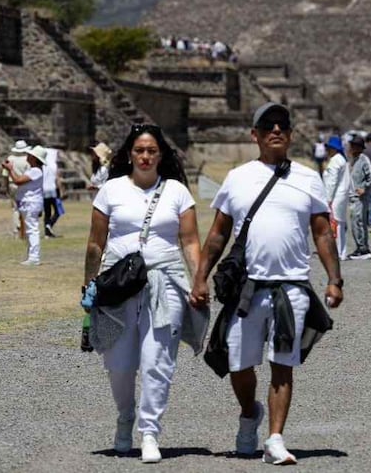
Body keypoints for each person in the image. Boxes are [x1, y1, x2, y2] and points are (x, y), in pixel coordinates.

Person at [189, 102, 343, 465]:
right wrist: (200, 277)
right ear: (254, 134)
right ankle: (248, 415)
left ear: (290, 135)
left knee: (282, 362)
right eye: (268, 125)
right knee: (240, 364)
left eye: (283, 126)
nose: (276, 130)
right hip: (249, 288)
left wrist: (335, 279)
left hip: (292, 287)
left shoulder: (308, 178)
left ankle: (275, 438)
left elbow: (322, 234)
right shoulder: (238, 177)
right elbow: (217, 235)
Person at [83, 124, 206, 463]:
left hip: (165, 283)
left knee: (158, 361)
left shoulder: (178, 192)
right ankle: (125, 418)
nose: (146, 156)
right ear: (130, 154)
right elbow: (96, 242)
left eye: (152, 150)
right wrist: (89, 282)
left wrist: (198, 280)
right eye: (140, 150)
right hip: (118, 285)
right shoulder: (110, 190)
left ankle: (150, 432)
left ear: (161, 155)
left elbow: (191, 241)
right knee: (119, 364)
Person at [2, 145, 46, 266]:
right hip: (28, 202)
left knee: (32, 229)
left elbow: (18, 181)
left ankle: (34, 257)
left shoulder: (36, 171)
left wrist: (10, 169)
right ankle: (32, 255)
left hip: (31, 203)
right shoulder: (32, 170)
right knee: (30, 230)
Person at [347, 135, 371, 259]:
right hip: (353, 196)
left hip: (360, 197)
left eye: (354, 145)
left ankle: (362, 248)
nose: (351, 147)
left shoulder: (363, 159)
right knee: (356, 221)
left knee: (358, 221)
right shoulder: (353, 159)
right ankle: (361, 246)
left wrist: (364, 186)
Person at [323, 135, 351, 260]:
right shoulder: (342, 160)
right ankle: (341, 251)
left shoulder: (335, 160)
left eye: (329, 148)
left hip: (335, 196)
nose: (327, 150)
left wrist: (328, 198)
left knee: (336, 224)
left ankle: (339, 252)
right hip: (342, 196)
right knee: (340, 223)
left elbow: (331, 182)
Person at [3, 139, 31, 238]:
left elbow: (5, 174)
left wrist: (6, 186)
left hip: (12, 184)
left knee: (15, 208)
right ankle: (25, 229)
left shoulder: (10, 159)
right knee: (25, 207)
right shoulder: (28, 159)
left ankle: (16, 229)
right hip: (24, 184)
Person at [42, 147, 63, 238]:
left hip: (44, 190)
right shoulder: (54, 166)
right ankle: (49, 225)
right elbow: (57, 179)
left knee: (47, 212)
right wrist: (61, 190)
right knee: (58, 211)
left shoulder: (43, 166)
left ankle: (47, 232)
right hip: (53, 190)